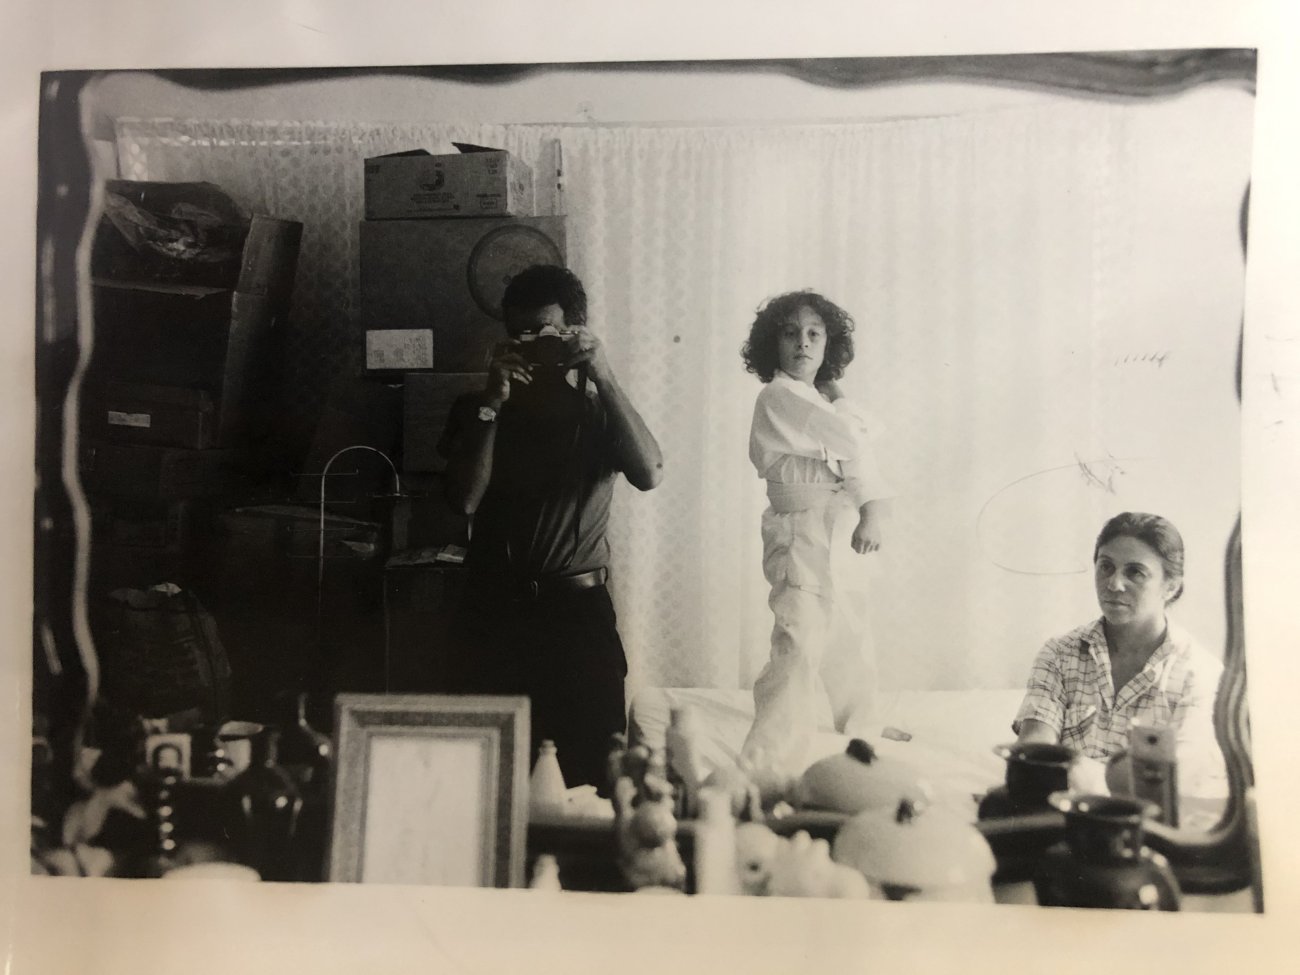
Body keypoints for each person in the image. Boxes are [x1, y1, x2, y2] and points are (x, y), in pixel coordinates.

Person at [438, 264, 663, 790]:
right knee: (487, 778)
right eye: (521, 334)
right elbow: (466, 502)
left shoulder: (599, 408)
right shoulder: (477, 408)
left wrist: (603, 374)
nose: (533, 345)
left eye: (547, 332)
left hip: (577, 616)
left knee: (593, 774)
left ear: (576, 332)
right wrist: (492, 401)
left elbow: (650, 473)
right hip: (494, 612)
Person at [737, 290, 892, 781]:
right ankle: (767, 760)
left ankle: (861, 736)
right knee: (799, 637)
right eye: (790, 334)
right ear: (772, 345)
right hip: (800, 530)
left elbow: (859, 449)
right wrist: (843, 404)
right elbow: (857, 439)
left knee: (849, 632)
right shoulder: (779, 396)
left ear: (829, 344)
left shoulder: (816, 399)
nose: (802, 343)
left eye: (814, 334)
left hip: (837, 524)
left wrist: (870, 508)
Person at [1013, 511, 1225, 797]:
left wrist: (1082, 776)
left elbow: (1177, 779)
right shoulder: (1059, 653)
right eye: (1106, 567)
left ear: (1171, 586)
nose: (1114, 584)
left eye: (1135, 572)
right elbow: (1034, 752)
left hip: (1148, 825)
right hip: (1067, 815)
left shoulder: (1200, 672)